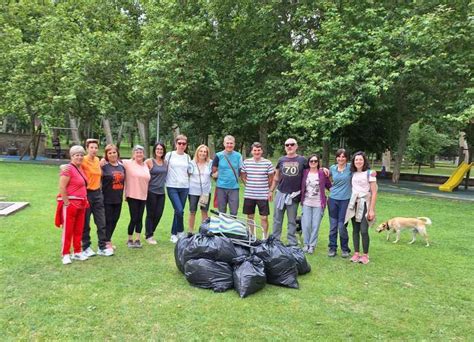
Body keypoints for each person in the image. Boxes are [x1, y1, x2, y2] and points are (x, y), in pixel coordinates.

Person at [269, 138, 307, 246]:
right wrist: (271, 191)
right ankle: (275, 240)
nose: (289, 146)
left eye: (292, 144)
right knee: (277, 218)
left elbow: (312, 170)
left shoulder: (302, 160)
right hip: (281, 193)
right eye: (287, 145)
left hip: (294, 195)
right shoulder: (281, 160)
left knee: (292, 220)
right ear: (285, 147)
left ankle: (292, 242)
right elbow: (276, 177)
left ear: (296, 146)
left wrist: (322, 170)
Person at [55, 145, 89, 265]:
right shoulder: (68, 169)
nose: (79, 157)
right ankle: (65, 254)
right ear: (71, 156)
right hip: (71, 203)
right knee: (68, 230)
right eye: (76, 155)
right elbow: (62, 187)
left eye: (81, 155)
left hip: (81, 203)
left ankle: (77, 251)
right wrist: (66, 203)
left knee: (79, 229)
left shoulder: (81, 168)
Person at [345, 151, 378, 264]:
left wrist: (371, 210)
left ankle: (365, 255)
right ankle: (356, 253)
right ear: (353, 162)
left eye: (361, 159)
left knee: (364, 230)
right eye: (356, 160)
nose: (358, 161)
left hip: (365, 203)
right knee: (355, 230)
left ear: (364, 161)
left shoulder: (369, 174)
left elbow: (374, 192)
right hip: (354, 203)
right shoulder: (352, 173)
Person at [81, 138, 112, 257]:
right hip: (86, 194)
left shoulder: (98, 160)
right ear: (87, 149)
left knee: (101, 222)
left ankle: (102, 247)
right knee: (85, 222)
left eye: (95, 147)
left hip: (98, 194)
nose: (94, 150)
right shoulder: (82, 160)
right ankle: (86, 247)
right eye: (91, 147)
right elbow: (72, 166)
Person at [241, 142, 274, 239]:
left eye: (259, 150)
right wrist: (249, 185)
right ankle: (252, 235)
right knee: (250, 217)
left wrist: (266, 189)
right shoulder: (246, 162)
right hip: (249, 194)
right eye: (255, 150)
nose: (257, 152)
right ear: (252, 151)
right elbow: (243, 176)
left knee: (264, 217)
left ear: (262, 151)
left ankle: (265, 237)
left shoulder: (267, 163)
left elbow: (271, 178)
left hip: (262, 195)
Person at [300, 154, 332, 254]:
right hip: (306, 202)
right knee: (306, 225)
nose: (313, 163)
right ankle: (306, 244)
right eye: (311, 161)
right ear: (308, 162)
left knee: (315, 225)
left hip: (319, 203)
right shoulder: (304, 172)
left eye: (315, 161)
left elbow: (329, 186)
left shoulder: (322, 173)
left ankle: (312, 245)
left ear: (318, 162)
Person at [122, 145, 151, 248]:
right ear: (133, 154)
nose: (139, 154)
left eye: (141, 152)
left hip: (143, 196)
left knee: (139, 218)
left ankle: (137, 239)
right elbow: (114, 160)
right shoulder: (128, 163)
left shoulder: (146, 165)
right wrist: (103, 160)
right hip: (132, 195)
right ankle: (130, 239)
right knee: (134, 218)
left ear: (143, 154)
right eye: (137, 152)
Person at [166, 135, 192, 243]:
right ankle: (179, 232)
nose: (181, 145)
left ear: (186, 145)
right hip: (172, 186)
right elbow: (162, 166)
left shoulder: (187, 157)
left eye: (184, 144)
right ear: (176, 144)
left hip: (184, 187)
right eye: (179, 143)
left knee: (178, 211)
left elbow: (190, 172)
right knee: (179, 210)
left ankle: (174, 233)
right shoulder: (170, 155)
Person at [327, 148, 352, 258]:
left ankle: (345, 249)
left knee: (342, 226)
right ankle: (332, 248)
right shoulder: (332, 168)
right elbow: (323, 177)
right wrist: (329, 188)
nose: (341, 158)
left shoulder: (351, 167)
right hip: (332, 200)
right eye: (339, 156)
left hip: (345, 200)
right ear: (336, 158)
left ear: (346, 158)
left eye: (343, 156)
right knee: (333, 226)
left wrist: (372, 172)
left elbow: (363, 169)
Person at [101, 144, 125, 251]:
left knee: (115, 220)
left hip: (118, 199)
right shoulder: (103, 167)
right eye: (109, 153)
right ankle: (106, 242)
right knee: (108, 220)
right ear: (106, 155)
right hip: (107, 199)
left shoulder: (122, 166)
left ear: (117, 153)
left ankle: (108, 240)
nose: (112, 155)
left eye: (114, 152)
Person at [212, 135, 242, 216]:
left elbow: (240, 170)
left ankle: (232, 228)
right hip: (221, 187)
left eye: (231, 143)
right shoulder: (218, 155)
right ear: (224, 144)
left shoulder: (238, 156)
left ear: (234, 144)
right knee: (221, 211)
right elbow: (213, 171)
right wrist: (218, 178)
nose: (229, 145)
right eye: (227, 143)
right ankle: (222, 228)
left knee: (234, 212)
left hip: (234, 188)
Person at [144, 142, 167, 245]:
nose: (159, 151)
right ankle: (149, 235)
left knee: (159, 214)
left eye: (161, 149)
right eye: (157, 149)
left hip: (161, 192)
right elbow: (139, 167)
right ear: (154, 150)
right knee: (150, 214)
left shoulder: (166, 162)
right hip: (151, 191)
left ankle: (150, 231)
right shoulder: (149, 161)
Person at [188, 144, 212, 232]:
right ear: (197, 152)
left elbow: (213, 175)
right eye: (201, 151)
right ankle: (190, 231)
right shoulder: (191, 163)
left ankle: (204, 231)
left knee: (204, 211)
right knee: (192, 211)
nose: (203, 153)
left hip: (205, 192)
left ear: (207, 153)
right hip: (193, 191)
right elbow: (187, 174)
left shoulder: (210, 163)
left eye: (205, 152)